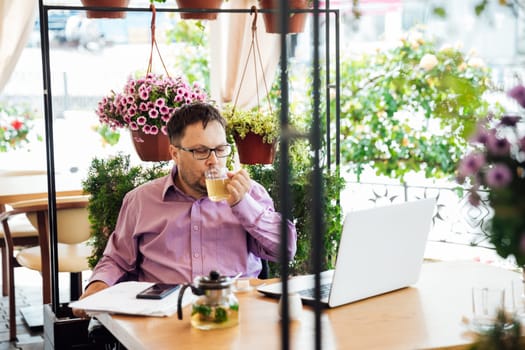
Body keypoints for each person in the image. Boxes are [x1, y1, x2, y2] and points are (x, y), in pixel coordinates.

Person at [73, 102, 297, 317]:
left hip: (235, 313)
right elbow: (117, 259)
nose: (214, 161)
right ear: (174, 153)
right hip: (162, 317)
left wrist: (242, 205)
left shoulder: (250, 193)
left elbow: (286, 250)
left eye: (220, 149)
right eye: (201, 151)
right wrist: (96, 288)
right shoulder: (140, 200)